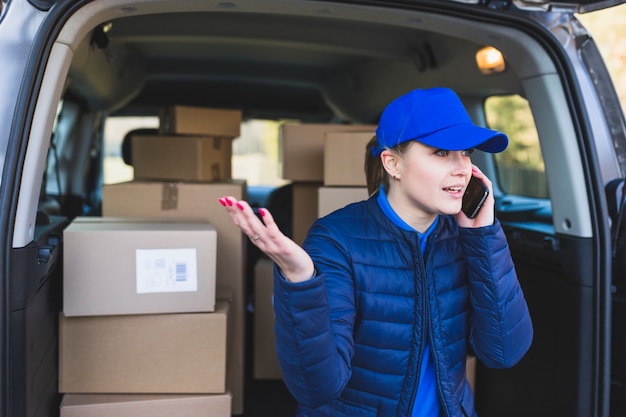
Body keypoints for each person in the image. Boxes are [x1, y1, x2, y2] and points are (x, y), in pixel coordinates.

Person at [218, 87, 533, 417]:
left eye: (466, 153)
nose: (461, 168)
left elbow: (504, 352)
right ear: (393, 163)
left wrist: (484, 237)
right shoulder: (336, 239)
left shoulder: (466, 236)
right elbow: (317, 387)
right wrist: (300, 280)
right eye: (441, 152)